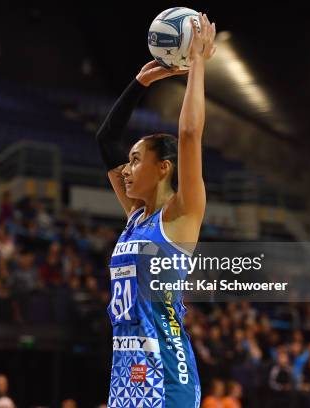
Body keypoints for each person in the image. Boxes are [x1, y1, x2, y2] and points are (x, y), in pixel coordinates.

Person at [96, 12, 216, 408]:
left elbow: (189, 134)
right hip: (126, 375)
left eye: (135, 160)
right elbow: (106, 138)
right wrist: (140, 82)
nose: (126, 169)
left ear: (163, 167)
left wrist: (197, 62)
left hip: (167, 377)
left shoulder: (181, 214)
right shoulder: (135, 216)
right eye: (127, 161)